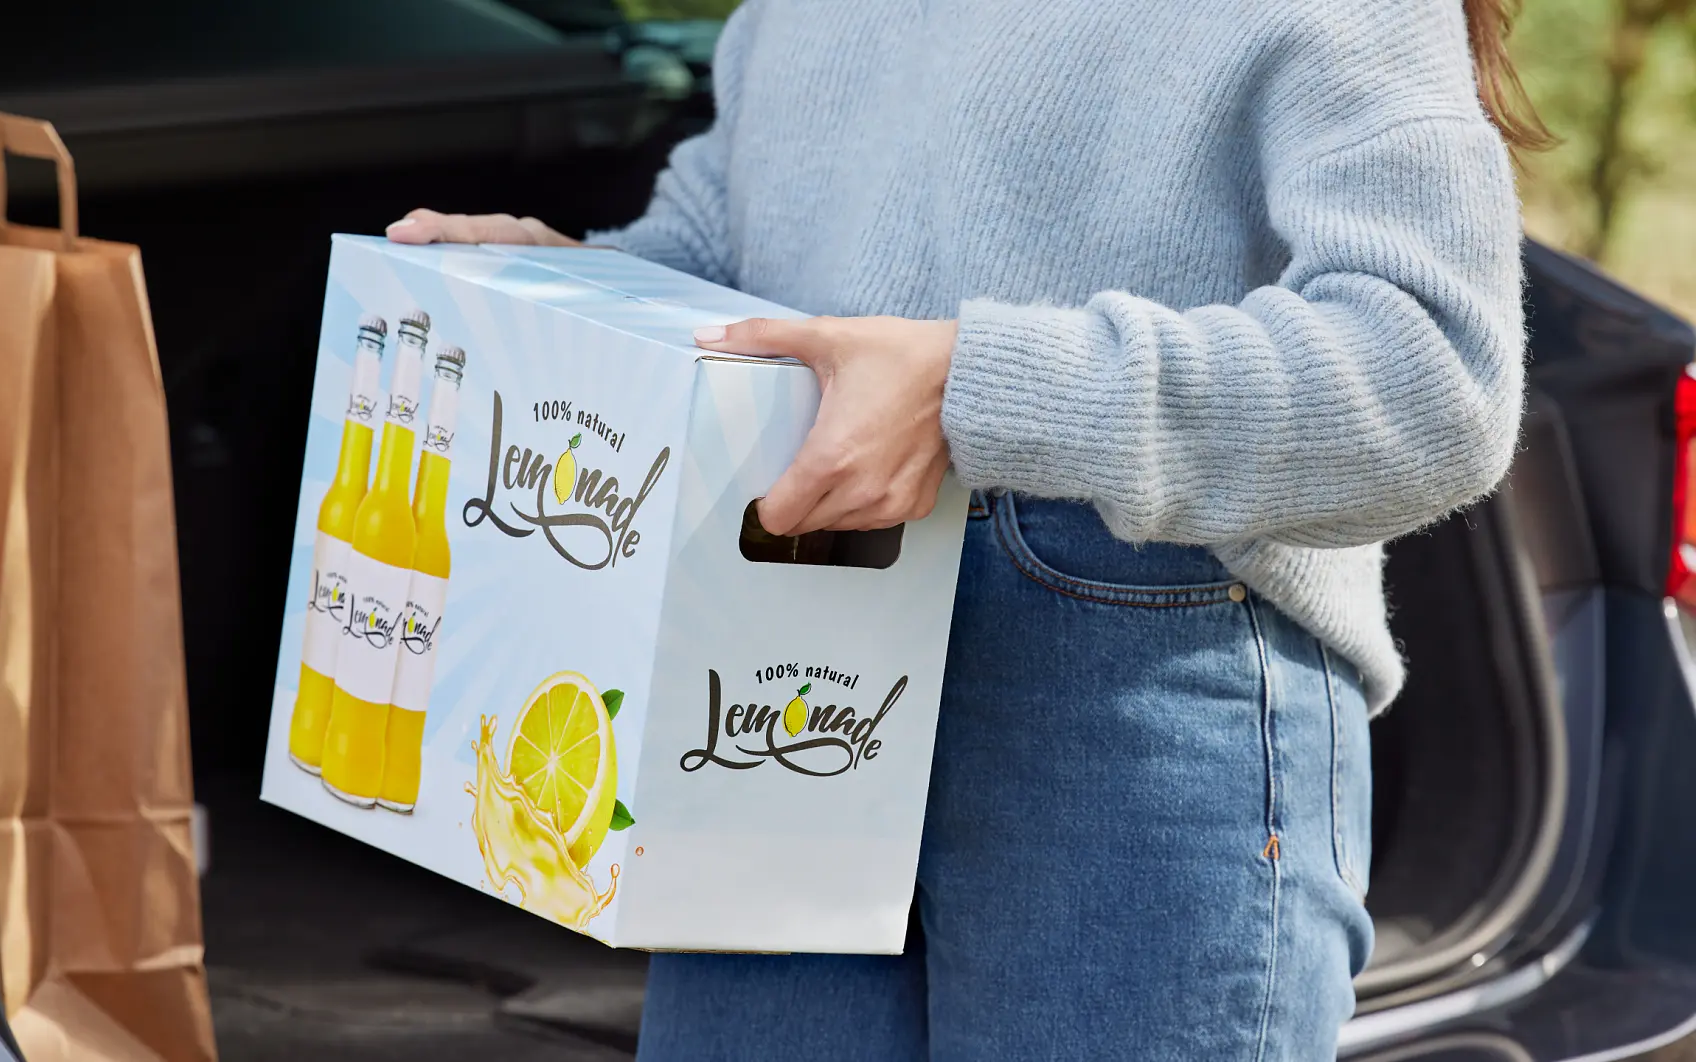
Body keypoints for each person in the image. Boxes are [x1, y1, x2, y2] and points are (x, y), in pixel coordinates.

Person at [387, 0, 1540, 1056]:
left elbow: (1433, 375)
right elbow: (726, 251)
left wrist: (971, 384)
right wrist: (589, 287)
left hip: (1126, 693)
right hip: (780, 660)